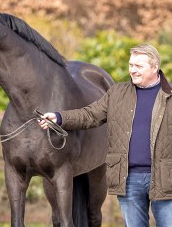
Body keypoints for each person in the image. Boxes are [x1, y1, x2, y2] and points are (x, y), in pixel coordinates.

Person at [38, 44, 172, 227]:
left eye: (138, 66)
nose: (132, 70)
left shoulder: (169, 95)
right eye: (131, 65)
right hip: (129, 179)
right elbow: (90, 115)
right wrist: (60, 117)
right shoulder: (118, 93)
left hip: (166, 178)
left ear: (154, 67)